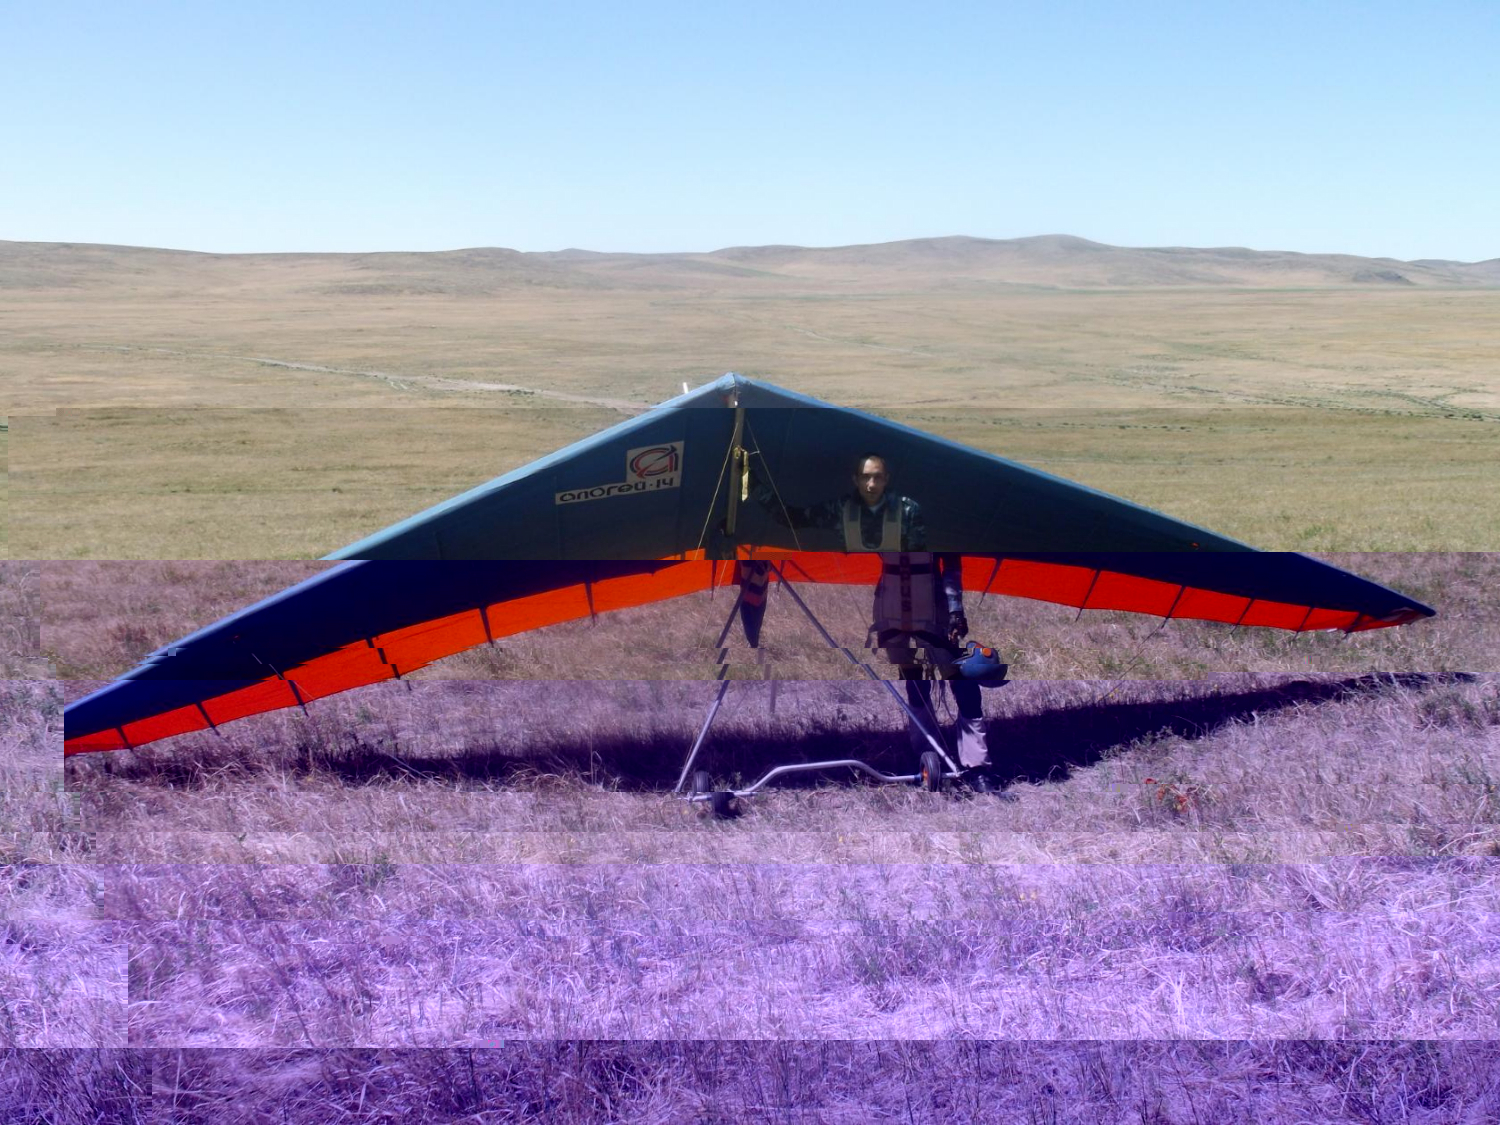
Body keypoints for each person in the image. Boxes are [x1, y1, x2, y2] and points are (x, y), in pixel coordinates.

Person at [753, 452, 994, 781]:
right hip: (893, 611)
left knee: (962, 682)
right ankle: (926, 756)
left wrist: (955, 610)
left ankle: (976, 767)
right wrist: (753, 483)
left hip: (934, 610)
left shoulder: (934, 514)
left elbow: (951, 565)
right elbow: (793, 519)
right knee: (915, 683)